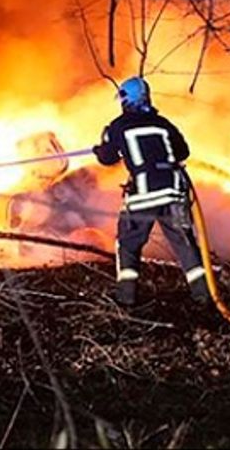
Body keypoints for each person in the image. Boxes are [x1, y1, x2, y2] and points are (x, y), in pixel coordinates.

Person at [93, 76, 210, 307]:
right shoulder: (163, 123)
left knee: (128, 243)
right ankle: (204, 295)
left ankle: (126, 298)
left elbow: (107, 158)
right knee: (184, 242)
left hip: (144, 196)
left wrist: (101, 147)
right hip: (174, 192)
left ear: (126, 101)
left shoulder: (118, 126)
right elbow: (182, 152)